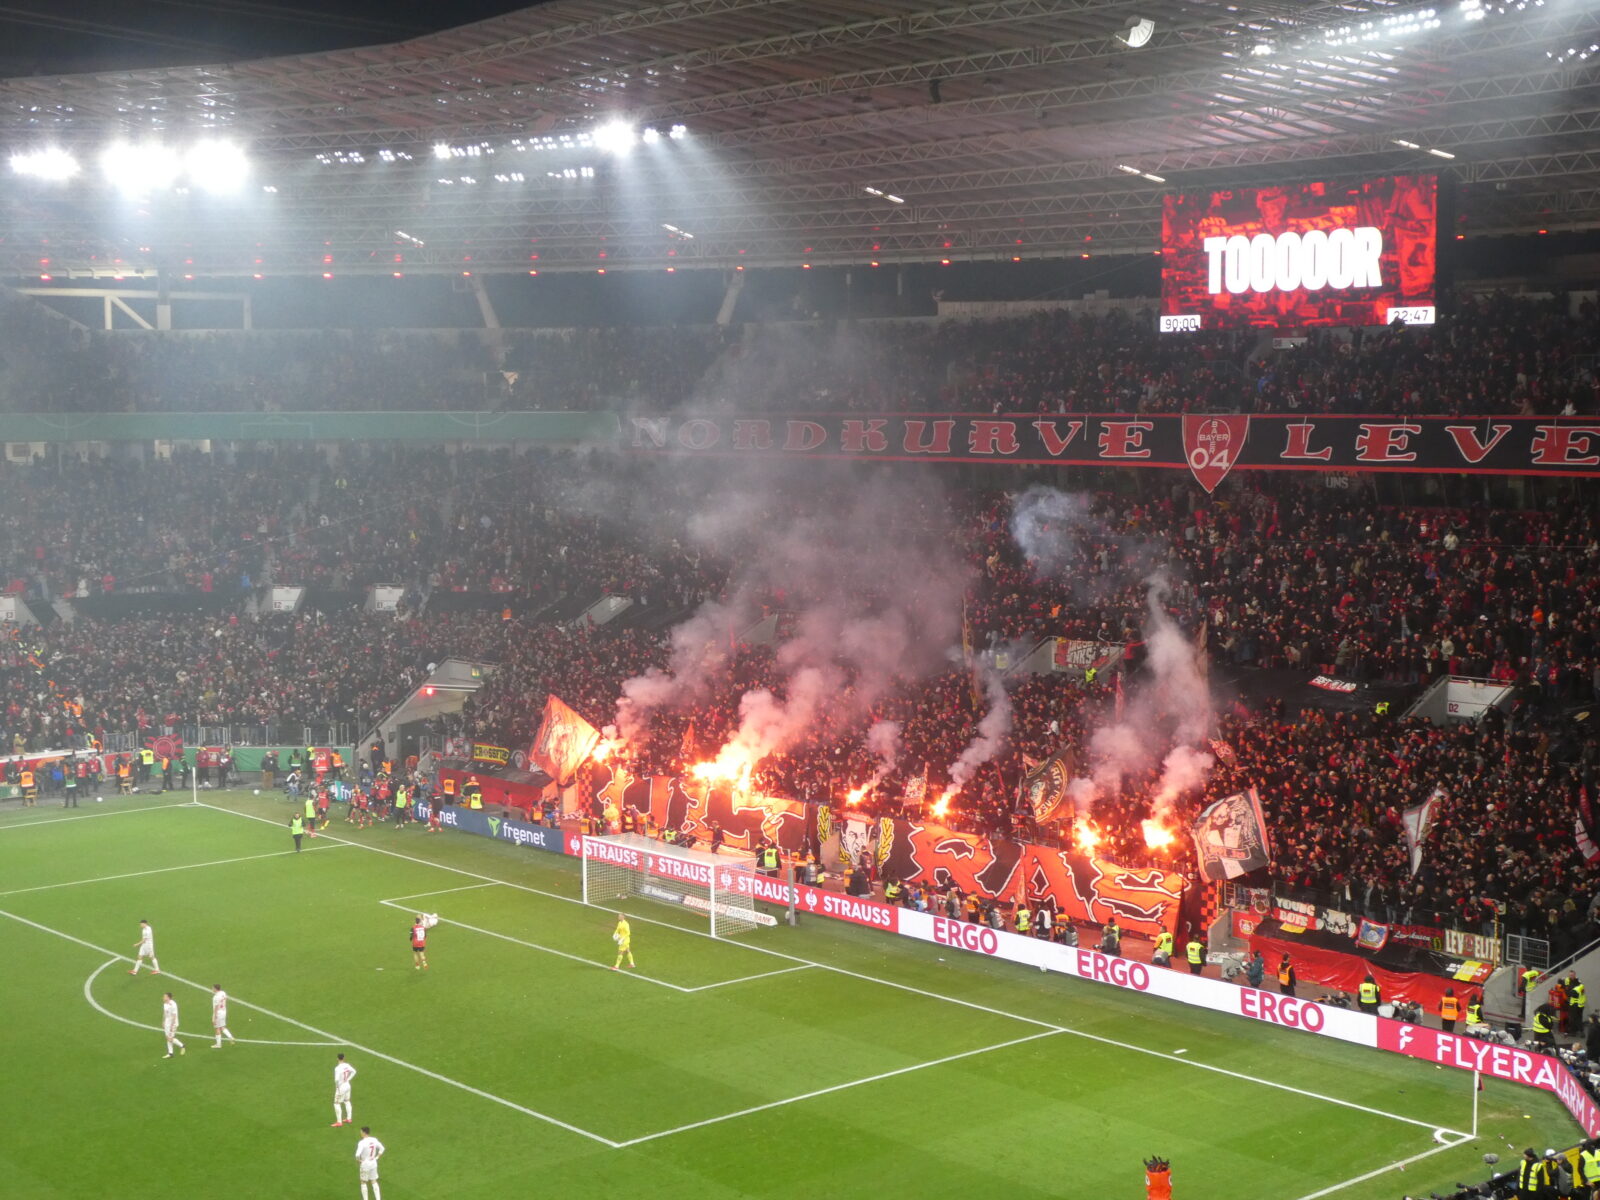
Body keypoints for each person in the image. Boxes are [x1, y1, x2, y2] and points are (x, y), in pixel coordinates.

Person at [354, 1126, 385, 1200]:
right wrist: (377, 1157)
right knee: (374, 1181)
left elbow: (357, 1154)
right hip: (373, 1162)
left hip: (365, 1164)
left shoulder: (362, 1142)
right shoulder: (374, 1139)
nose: (360, 1133)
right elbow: (382, 1148)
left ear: (364, 1133)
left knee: (363, 1182)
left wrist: (358, 1160)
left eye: (361, 1132)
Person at [332, 1053, 357, 1127]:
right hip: (348, 1085)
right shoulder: (347, 1065)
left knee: (336, 1103)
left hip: (341, 1087)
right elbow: (354, 1071)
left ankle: (339, 1122)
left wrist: (337, 1087)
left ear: (337, 1058)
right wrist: (348, 1079)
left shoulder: (337, 1068)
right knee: (347, 1101)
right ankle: (349, 1118)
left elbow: (336, 1079)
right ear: (344, 1058)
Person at [161, 992, 185, 1058]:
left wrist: (172, 1025)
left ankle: (182, 1045)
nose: (163, 998)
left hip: (173, 1023)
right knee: (167, 1038)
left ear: (168, 997)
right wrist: (163, 1021)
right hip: (167, 1023)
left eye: (165, 996)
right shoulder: (165, 1004)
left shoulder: (173, 1004)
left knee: (170, 1038)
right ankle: (170, 1053)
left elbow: (174, 1016)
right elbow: (165, 1013)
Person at [210, 985, 235, 1049]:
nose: (212, 989)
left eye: (213, 988)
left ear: (216, 989)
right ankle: (230, 1037)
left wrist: (214, 1018)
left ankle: (218, 1044)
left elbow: (216, 1008)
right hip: (224, 1011)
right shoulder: (223, 993)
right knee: (222, 1027)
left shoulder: (215, 997)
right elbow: (225, 998)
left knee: (217, 1028)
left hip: (218, 1013)